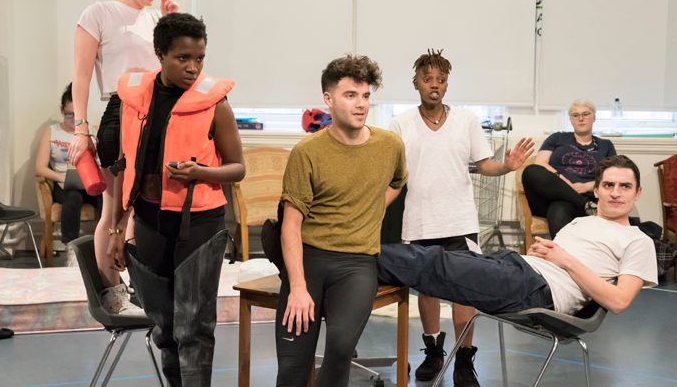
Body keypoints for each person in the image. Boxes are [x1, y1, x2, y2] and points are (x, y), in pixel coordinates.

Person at [377, 155, 658, 387]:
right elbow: (556, 259)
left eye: (625, 186)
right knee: (440, 261)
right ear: (596, 191)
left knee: (436, 263)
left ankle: (356, 256)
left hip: (534, 289)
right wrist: (544, 254)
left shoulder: (638, 240)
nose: (616, 192)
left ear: (638, 193)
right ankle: (357, 263)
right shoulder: (580, 223)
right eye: (608, 185)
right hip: (516, 266)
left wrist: (567, 260)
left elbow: (619, 301)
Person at [106, 13, 245, 387]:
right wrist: (119, 228)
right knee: (164, 325)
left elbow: (237, 168)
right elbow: (124, 168)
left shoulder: (215, 104)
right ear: (160, 54)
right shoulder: (132, 101)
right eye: (183, 58)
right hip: (149, 221)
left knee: (195, 326)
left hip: (200, 225)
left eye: (199, 58)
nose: (193, 67)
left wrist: (200, 172)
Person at [388, 49, 534, 386]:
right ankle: (433, 351)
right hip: (419, 220)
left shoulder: (466, 120)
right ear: (416, 83)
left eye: (440, 80)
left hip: (459, 220)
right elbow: (393, 174)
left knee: (463, 291)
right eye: (427, 79)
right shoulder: (400, 124)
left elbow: (485, 165)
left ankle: (464, 361)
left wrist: (507, 166)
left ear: (447, 84)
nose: (434, 85)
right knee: (427, 289)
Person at [276, 54, 408, 387]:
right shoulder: (307, 152)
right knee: (292, 367)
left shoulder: (390, 145)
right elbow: (290, 226)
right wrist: (297, 288)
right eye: (351, 95)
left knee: (340, 346)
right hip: (310, 260)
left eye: (365, 96)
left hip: (357, 264)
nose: (361, 104)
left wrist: (371, 207)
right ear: (328, 99)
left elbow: (397, 182)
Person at [67, 0, 179, 315]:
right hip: (120, 111)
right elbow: (81, 77)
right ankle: (113, 297)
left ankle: (142, 288)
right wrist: (82, 128)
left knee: (143, 211)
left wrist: (169, 24)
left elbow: (172, 71)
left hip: (156, 115)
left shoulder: (153, 19)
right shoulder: (99, 12)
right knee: (114, 212)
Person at [522, 98, 617, 239]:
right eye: (575, 115)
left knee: (558, 209)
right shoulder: (557, 138)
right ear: (571, 120)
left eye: (585, 114)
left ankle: (565, 259)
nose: (581, 118)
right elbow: (540, 163)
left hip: (589, 196)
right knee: (530, 171)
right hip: (552, 195)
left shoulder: (606, 145)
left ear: (594, 117)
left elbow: (613, 175)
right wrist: (562, 180)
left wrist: (588, 186)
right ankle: (585, 205)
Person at [35, 83, 100, 262]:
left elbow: (100, 161)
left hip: (89, 183)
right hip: (64, 184)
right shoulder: (51, 133)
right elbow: (40, 168)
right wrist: (62, 177)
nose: (73, 119)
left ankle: (105, 245)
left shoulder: (91, 131)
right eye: (69, 114)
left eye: (77, 115)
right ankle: (71, 249)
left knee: (105, 198)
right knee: (72, 197)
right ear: (62, 110)